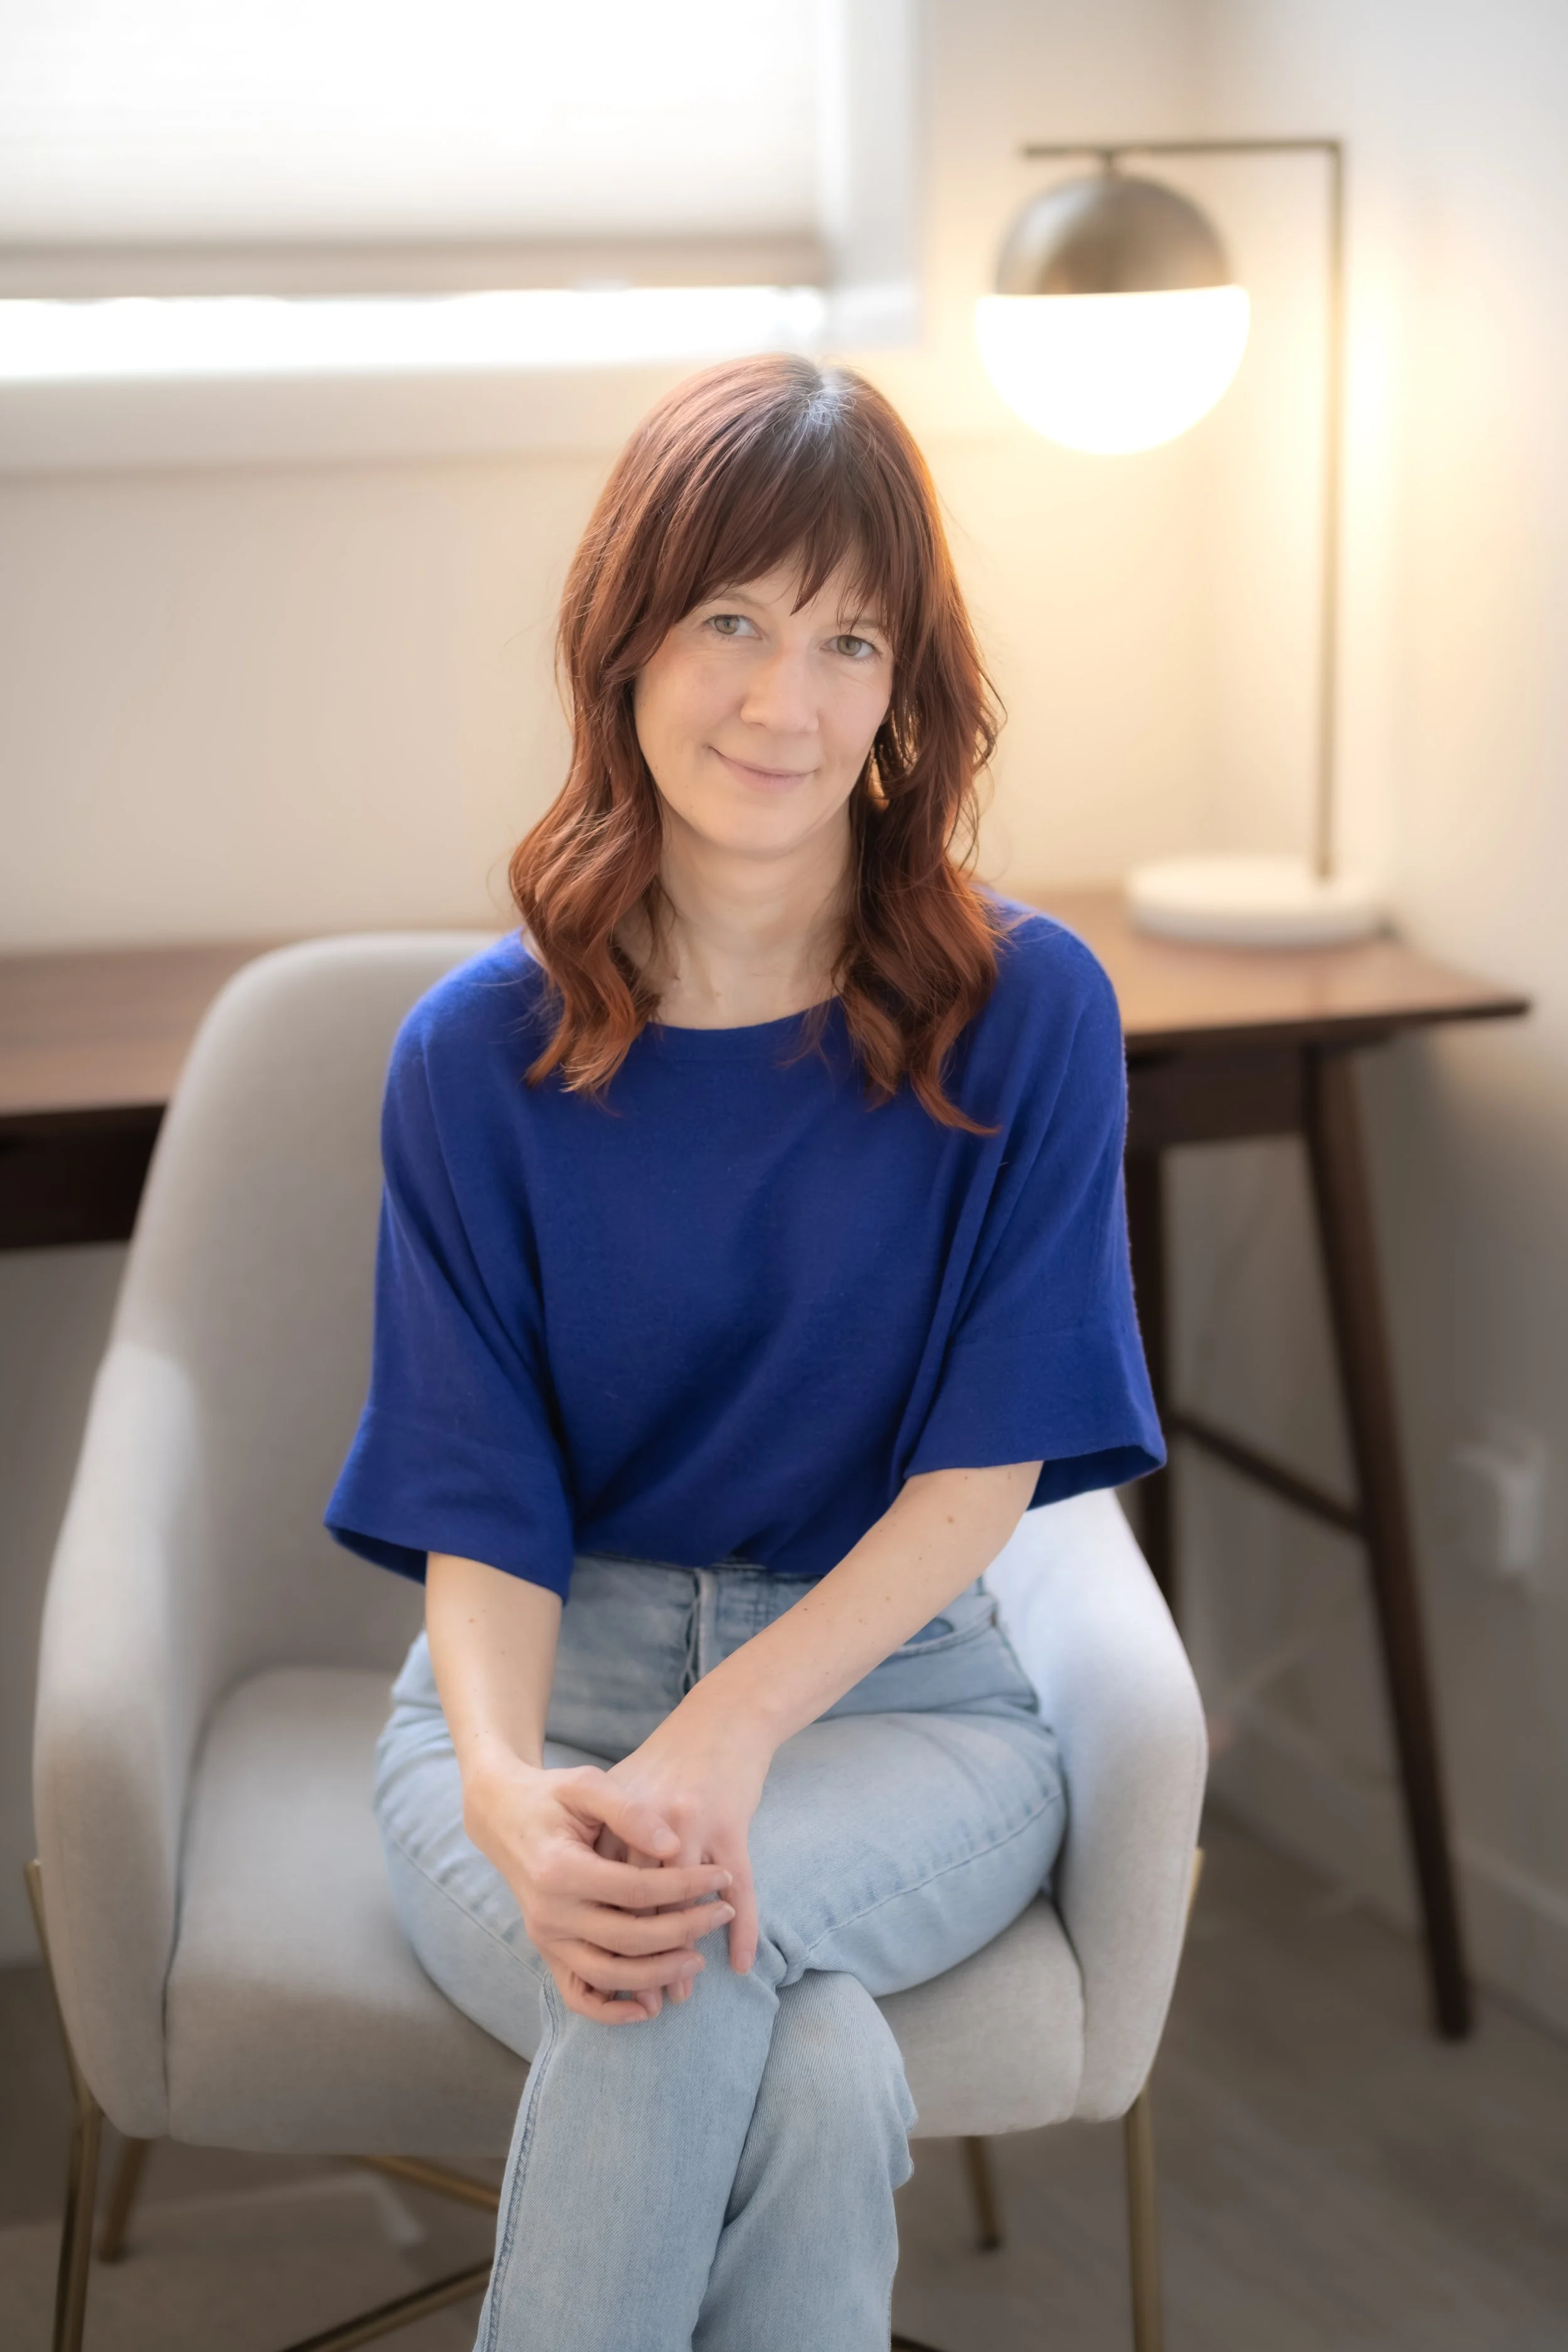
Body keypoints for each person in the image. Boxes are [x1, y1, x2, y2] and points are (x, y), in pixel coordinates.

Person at [326, 352, 1162, 2352]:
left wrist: (727, 1741)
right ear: (626, 637)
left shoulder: (1024, 1010)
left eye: (847, 638)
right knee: (806, 2068)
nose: (785, 700)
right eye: (731, 621)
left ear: (903, 688)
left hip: (899, 1710)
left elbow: (980, 1474)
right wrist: (520, 1787)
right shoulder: (473, 1057)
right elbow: (480, 1497)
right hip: (536, 1692)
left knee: (680, 1951)